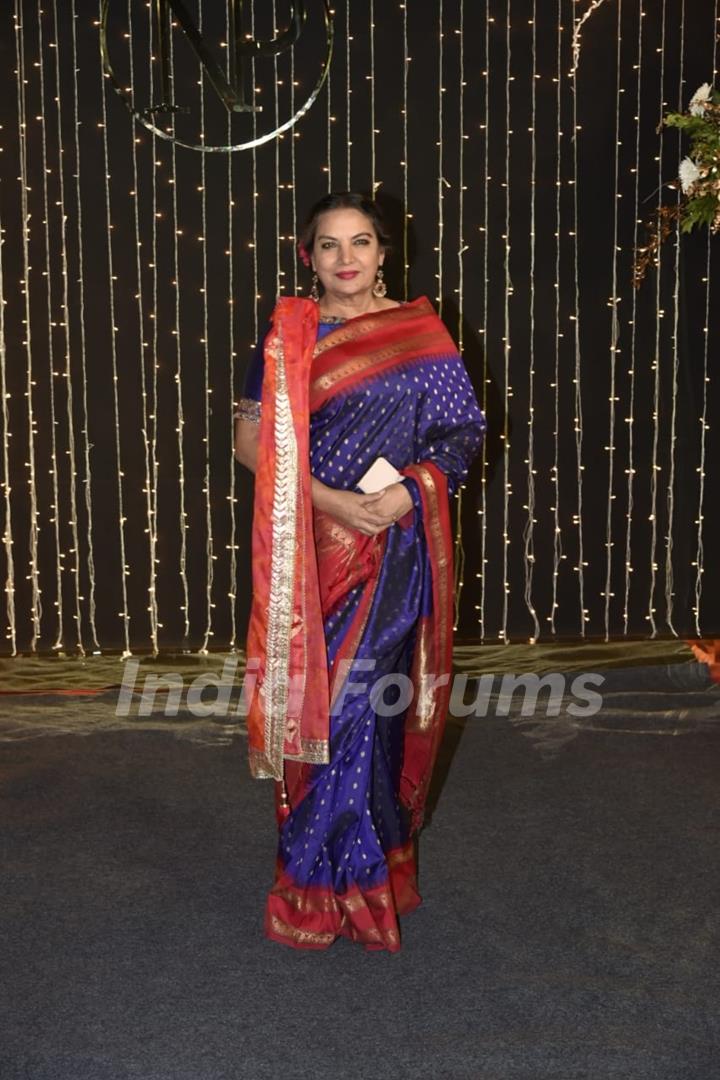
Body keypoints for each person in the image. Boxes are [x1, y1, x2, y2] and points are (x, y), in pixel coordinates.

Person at [234, 192, 486, 951]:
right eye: (330, 245)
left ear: (384, 252)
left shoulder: (422, 333)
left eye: (363, 242)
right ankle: (318, 880)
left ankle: (358, 877)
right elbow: (253, 445)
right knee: (318, 710)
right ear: (306, 255)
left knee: (365, 714)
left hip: (393, 552)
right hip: (310, 548)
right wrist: (335, 502)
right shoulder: (287, 337)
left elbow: (461, 432)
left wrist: (406, 494)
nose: (347, 258)